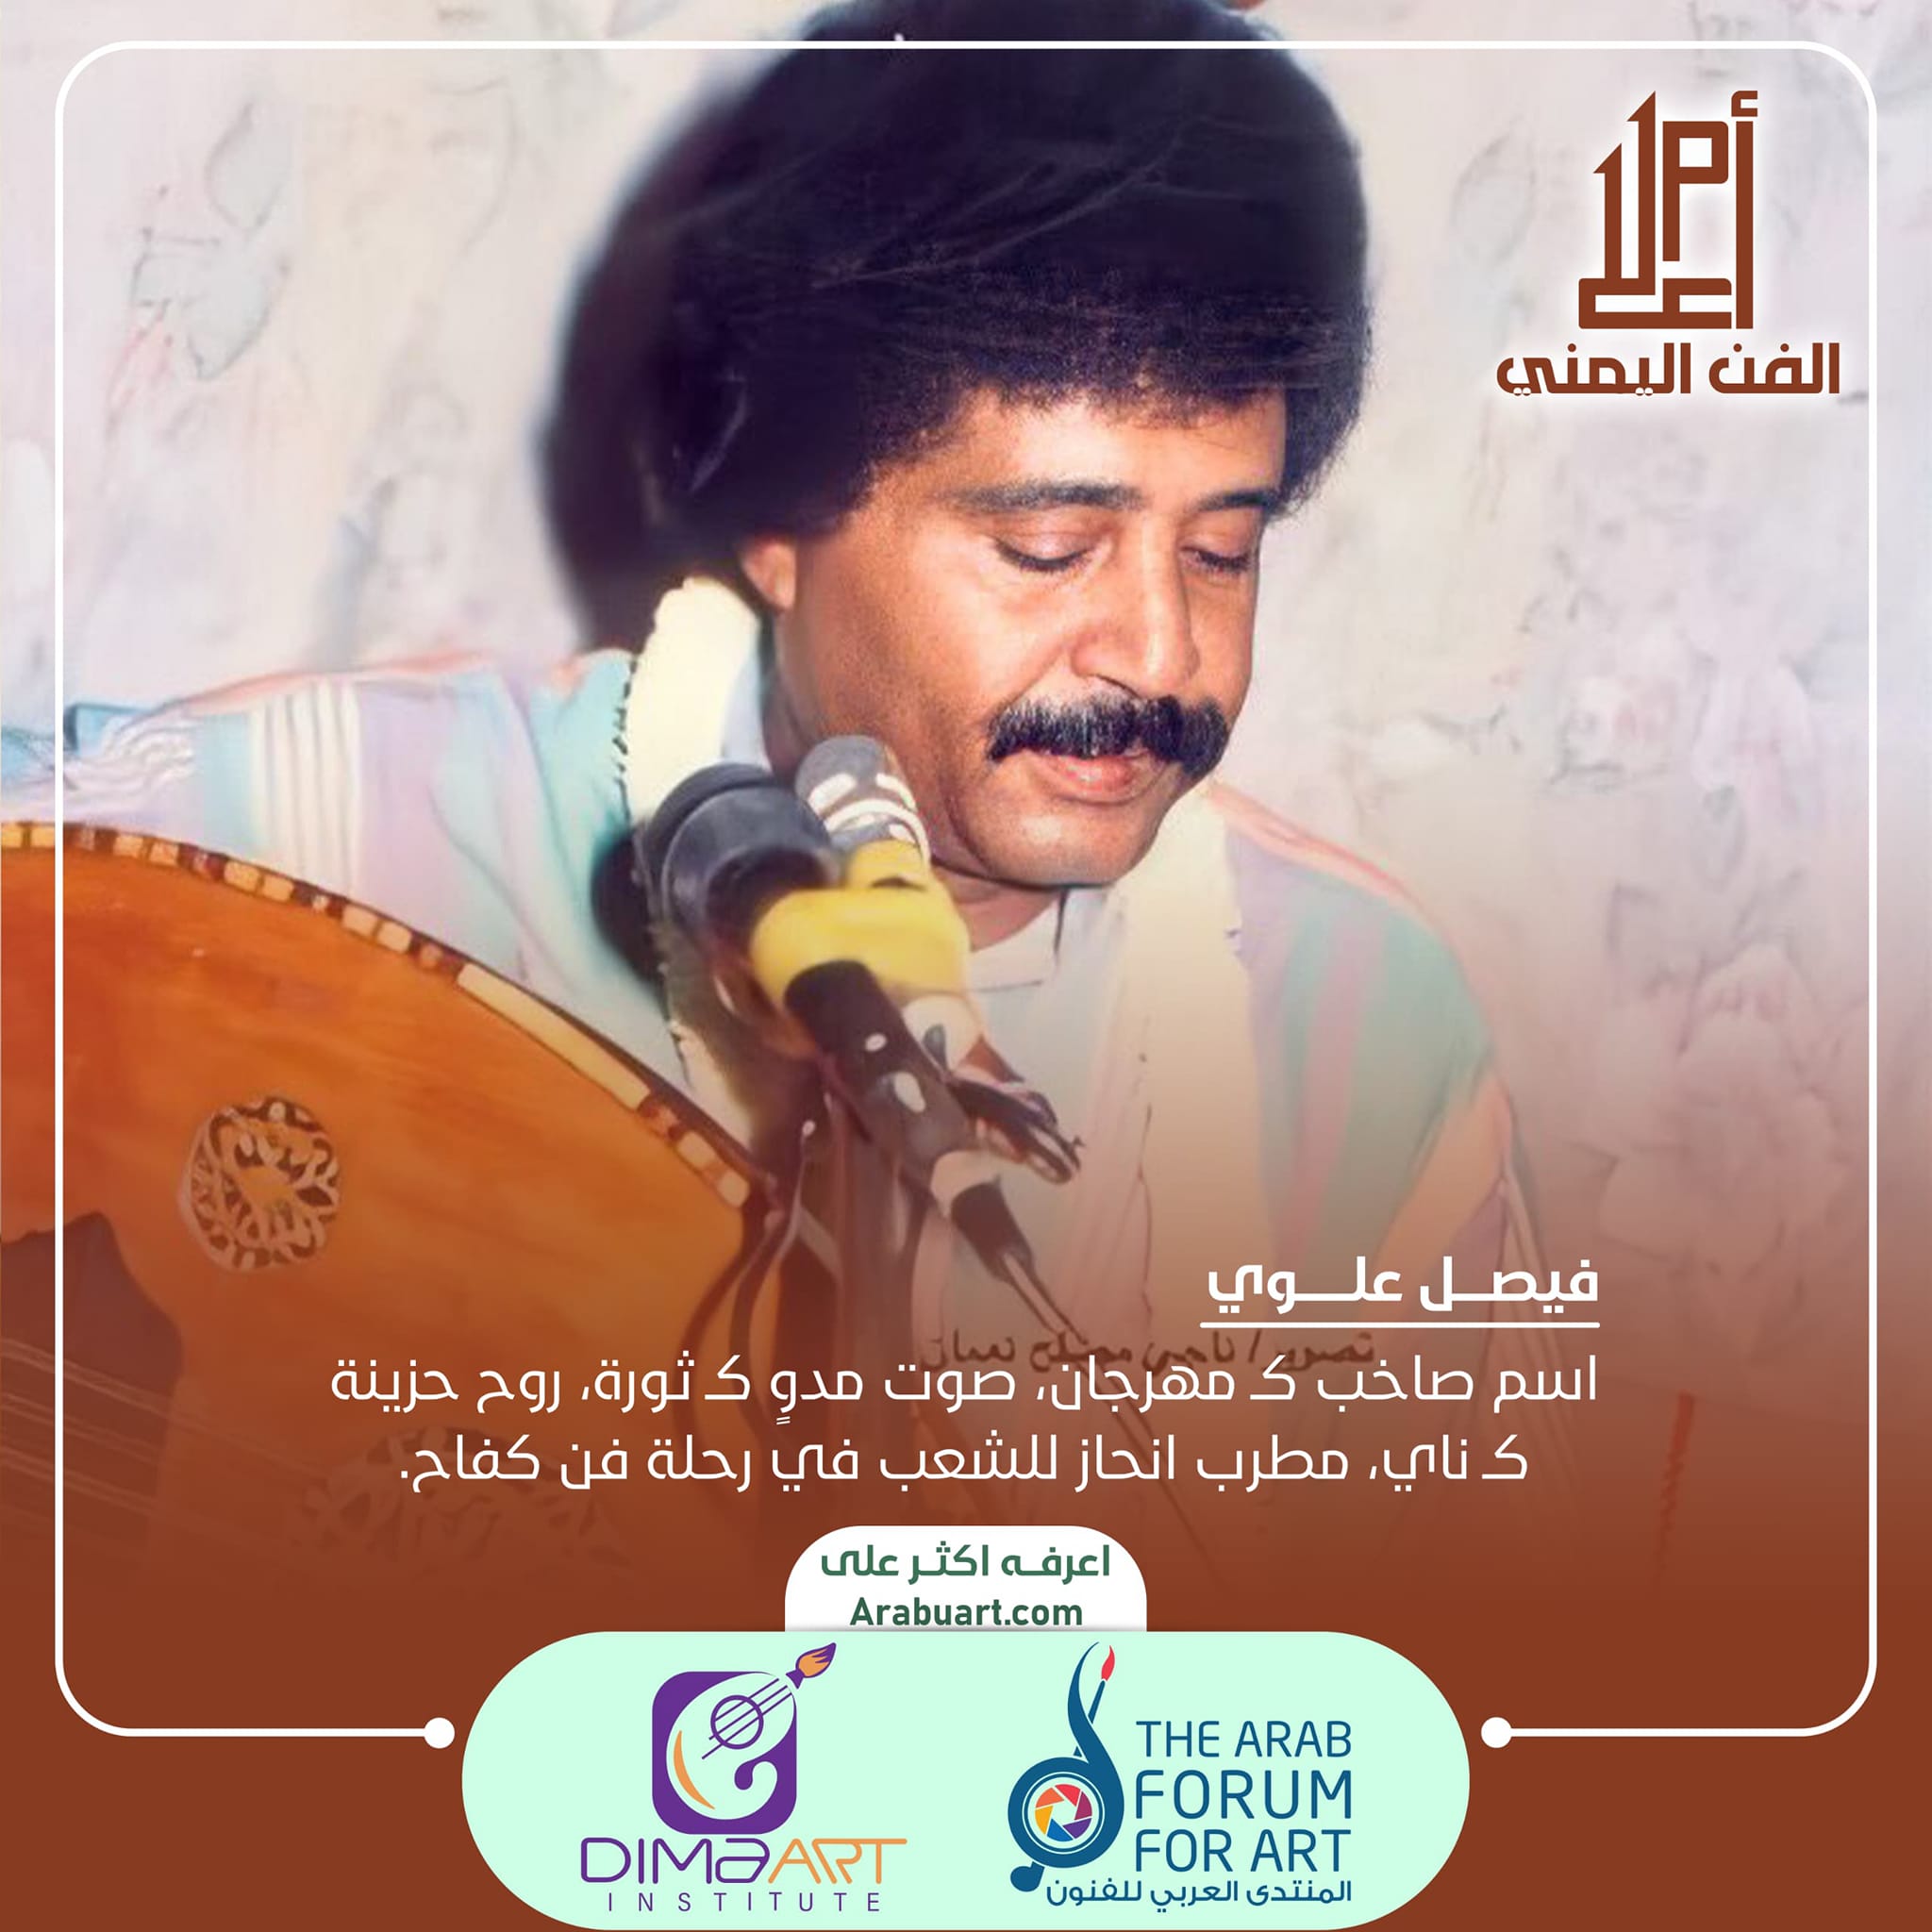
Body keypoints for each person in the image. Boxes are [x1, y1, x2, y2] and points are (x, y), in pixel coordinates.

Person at [7, 0, 1550, 1417]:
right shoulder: (351, 822)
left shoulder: (1360, 1032)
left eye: (1222, 552)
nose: (1159, 654)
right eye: (1048, 547)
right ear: (776, 522)